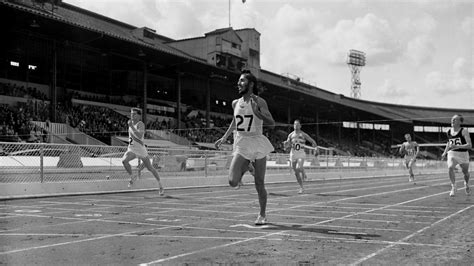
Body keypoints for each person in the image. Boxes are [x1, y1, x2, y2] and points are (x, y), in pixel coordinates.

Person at [215, 69, 275, 225]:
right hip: (242, 143)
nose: (238, 83)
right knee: (232, 182)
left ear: (251, 84)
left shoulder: (260, 101)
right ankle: (248, 164)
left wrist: (258, 112)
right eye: (239, 81)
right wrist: (224, 137)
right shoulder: (235, 103)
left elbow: (272, 123)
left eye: (242, 81)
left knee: (259, 183)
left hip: (257, 142)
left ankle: (262, 215)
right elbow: (235, 122)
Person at [122, 108, 164, 196]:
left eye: (134, 114)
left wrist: (131, 126)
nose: (132, 116)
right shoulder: (130, 123)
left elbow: (139, 135)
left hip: (141, 150)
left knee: (150, 168)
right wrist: (131, 126)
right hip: (132, 149)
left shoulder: (140, 124)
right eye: (131, 114)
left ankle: (160, 185)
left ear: (139, 115)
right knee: (124, 161)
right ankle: (132, 176)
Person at [283, 120, 317, 194]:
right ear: (293, 126)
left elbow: (312, 141)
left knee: (299, 167)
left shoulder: (303, 134)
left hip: (301, 153)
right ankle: (301, 187)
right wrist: (286, 145)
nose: (296, 126)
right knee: (296, 172)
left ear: (300, 126)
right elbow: (287, 144)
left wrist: (315, 148)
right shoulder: (290, 135)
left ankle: (303, 172)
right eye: (295, 124)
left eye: (298, 124)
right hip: (293, 154)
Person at [441, 114, 471, 197]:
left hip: (463, 154)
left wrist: (457, 146)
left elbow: (469, 145)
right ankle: (453, 186)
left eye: (455, 119)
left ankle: (466, 183)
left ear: (460, 122)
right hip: (452, 153)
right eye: (452, 119)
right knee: (450, 167)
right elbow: (448, 143)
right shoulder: (448, 131)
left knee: (466, 173)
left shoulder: (464, 131)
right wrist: (444, 153)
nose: (452, 120)